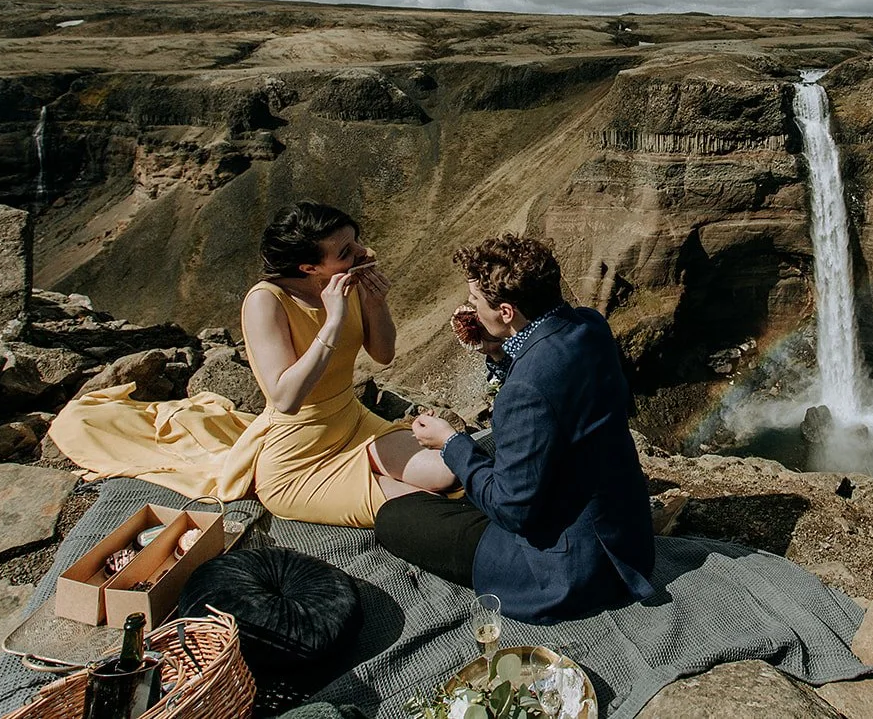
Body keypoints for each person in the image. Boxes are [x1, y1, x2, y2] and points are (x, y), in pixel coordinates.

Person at [375, 233, 656, 623]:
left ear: (506, 311)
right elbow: (557, 386)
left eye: (475, 301)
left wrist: (452, 443)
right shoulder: (590, 326)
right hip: (627, 535)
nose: (471, 308)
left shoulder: (525, 391)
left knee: (396, 518)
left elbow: (512, 510)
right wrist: (496, 349)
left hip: (570, 567)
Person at [239, 202, 456, 526]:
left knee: (447, 474)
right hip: (299, 456)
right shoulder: (266, 301)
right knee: (424, 509)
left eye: (356, 240)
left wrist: (375, 302)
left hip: (352, 423)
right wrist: (333, 321)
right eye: (345, 251)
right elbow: (285, 399)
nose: (363, 251)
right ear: (309, 268)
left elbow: (383, 354)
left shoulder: (344, 282)